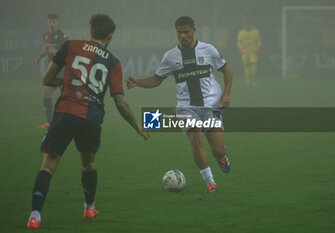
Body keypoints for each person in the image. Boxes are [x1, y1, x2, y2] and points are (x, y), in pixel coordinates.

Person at [27, 14, 150, 229]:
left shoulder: (70, 45)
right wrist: (137, 126)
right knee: (88, 164)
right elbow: (120, 101)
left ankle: (35, 215)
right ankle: (89, 207)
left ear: (91, 30)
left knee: (48, 166)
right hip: (90, 118)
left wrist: (69, 84)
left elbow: (47, 79)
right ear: (110, 35)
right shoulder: (113, 62)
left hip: (65, 112)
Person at [126, 16, 233, 194]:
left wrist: (226, 94)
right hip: (186, 107)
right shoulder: (170, 56)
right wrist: (137, 82)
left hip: (211, 104)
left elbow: (227, 71)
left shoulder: (208, 50)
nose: (183, 36)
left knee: (217, 149)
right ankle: (210, 183)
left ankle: (221, 157)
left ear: (194, 31)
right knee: (195, 140)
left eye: (186, 32)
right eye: (179, 32)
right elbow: (156, 79)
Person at [35, 14, 68, 128]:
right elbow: (47, 48)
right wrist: (40, 56)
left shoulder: (63, 36)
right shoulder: (45, 35)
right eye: (50, 21)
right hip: (51, 70)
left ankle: (66, 121)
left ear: (57, 22)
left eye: (54, 21)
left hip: (62, 70)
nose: (52, 24)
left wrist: (56, 51)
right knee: (46, 94)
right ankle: (49, 122)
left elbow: (67, 51)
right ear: (47, 23)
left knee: (65, 97)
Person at [237, 20, 261, 86]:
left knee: (254, 65)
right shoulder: (241, 32)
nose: (247, 26)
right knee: (246, 66)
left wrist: (257, 47)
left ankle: (253, 80)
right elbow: (239, 42)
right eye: (246, 24)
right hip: (245, 52)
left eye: (249, 24)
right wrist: (240, 49)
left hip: (253, 52)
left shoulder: (255, 32)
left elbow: (258, 40)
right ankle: (248, 80)